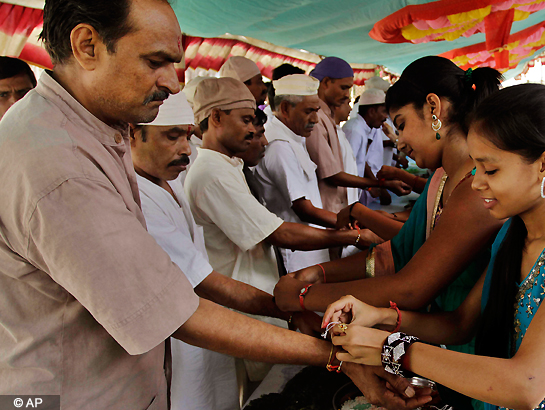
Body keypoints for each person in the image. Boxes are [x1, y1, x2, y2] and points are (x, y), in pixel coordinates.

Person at [0, 1, 427, 409]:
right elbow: (175, 311)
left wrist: (293, 308)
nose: (171, 81)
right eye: (155, 62)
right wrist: (335, 355)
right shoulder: (58, 165)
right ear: (86, 46)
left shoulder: (91, 136)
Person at [324, 84, 545, 410]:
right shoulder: (513, 232)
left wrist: (389, 346)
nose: (478, 182)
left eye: (491, 169)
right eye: (476, 166)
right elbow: (460, 323)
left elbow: (527, 384)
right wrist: (379, 316)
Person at [275, 58, 505, 409]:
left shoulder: (475, 189)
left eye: (401, 124)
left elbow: (411, 287)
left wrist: (305, 296)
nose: (400, 142)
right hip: (441, 347)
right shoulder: (442, 182)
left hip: (472, 358)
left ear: (433, 108)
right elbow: (397, 253)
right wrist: (315, 274)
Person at [183, 76, 385, 381]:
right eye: (246, 120)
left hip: (264, 290)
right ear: (215, 118)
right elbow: (280, 232)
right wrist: (354, 234)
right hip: (246, 295)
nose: (254, 132)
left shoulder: (231, 165)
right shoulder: (211, 172)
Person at [131, 92, 322, 410]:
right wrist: (292, 314)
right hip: (182, 337)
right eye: (171, 136)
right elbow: (204, 281)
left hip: (208, 329)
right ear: (133, 134)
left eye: (186, 136)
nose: (184, 149)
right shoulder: (139, 199)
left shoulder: (170, 180)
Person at [254, 74, 339, 272]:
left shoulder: (293, 137)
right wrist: (349, 224)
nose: (315, 119)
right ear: (285, 109)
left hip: (309, 246)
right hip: (297, 254)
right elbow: (303, 209)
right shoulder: (279, 146)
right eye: (309, 111)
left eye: (316, 111)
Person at [306, 56, 410, 215]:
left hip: (342, 201)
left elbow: (354, 163)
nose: (347, 95)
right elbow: (333, 175)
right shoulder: (318, 119)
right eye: (344, 88)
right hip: (326, 207)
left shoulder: (328, 119)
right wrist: (379, 185)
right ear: (326, 82)